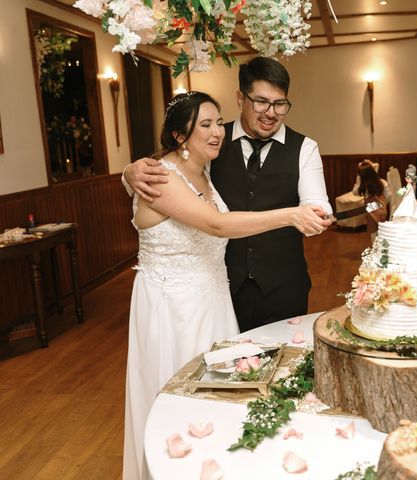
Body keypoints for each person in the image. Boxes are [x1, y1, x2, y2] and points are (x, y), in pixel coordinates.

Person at [123, 91, 330, 480]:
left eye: (219, 122)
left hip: (213, 302)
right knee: (180, 405)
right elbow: (217, 225)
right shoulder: (161, 177)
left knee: (221, 401)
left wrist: (125, 171)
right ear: (178, 136)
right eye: (206, 124)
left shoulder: (205, 171)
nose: (218, 131)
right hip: (173, 307)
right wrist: (289, 215)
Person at [122, 57, 332, 333]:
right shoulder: (212, 143)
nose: (270, 112)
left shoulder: (304, 148)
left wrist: (314, 218)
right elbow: (173, 171)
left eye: (279, 104)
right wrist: (129, 172)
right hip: (226, 286)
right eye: (260, 101)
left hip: (282, 285)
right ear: (240, 98)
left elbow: (316, 207)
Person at [353, 159, 391, 238]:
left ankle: (376, 249)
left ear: (361, 176)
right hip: (382, 210)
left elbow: (354, 192)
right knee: (383, 233)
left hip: (371, 212)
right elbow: (389, 196)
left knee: (374, 234)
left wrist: (358, 179)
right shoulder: (382, 182)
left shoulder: (363, 186)